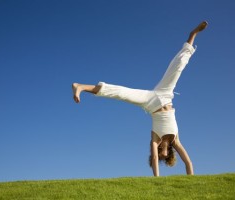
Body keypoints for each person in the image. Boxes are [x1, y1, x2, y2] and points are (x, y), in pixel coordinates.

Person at [72, 21, 208, 176]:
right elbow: (188, 162)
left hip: (149, 102)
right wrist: (192, 180)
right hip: (165, 94)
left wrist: (156, 179)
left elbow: (154, 158)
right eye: (165, 158)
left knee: (121, 93)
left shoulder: (155, 139)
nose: (162, 157)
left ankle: (80, 86)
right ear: (169, 153)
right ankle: (193, 34)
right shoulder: (175, 141)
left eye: (161, 158)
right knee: (178, 65)